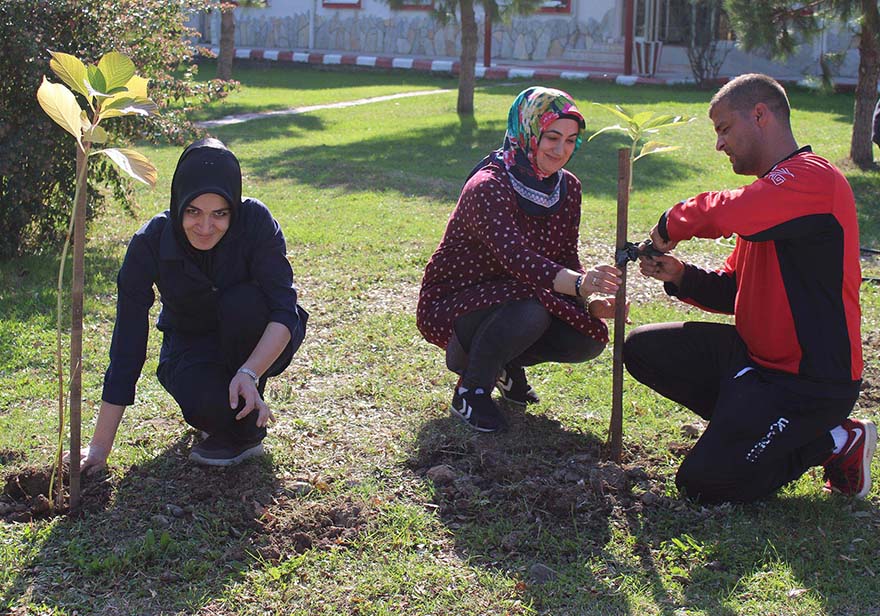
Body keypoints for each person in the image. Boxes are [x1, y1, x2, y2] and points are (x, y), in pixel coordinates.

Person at [624, 73, 874, 503]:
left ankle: (834, 441)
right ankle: (750, 429)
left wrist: (671, 222)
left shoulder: (814, 179)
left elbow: (730, 210)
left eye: (724, 129)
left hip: (810, 384)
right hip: (756, 362)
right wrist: (680, 275)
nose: (719, 144)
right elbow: (732, 289)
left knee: (703, 484)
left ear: (759, 115)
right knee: (642, 349)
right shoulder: (769, 196)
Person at [78, 138, 308, 469]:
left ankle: (246, 407)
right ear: (178, 203)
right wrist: (99, 448)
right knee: (207, 406)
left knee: (242, 303)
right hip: (190, 344)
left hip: (255, 335)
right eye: (193, 212)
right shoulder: (150, 243)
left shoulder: (256, 222)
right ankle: (232, 417)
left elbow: (284, 309)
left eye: (219, 214)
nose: (204, 227)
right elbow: (127, 343)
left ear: (234, 208)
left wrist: (249, 371)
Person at [416, 86, 623, 433]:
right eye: (552, 137)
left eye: (571, 141)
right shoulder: (488, 185)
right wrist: (576, 284)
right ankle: (472, 389)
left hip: (523, 293)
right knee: (532, 308)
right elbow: (517, 259)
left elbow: (564, 254)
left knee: (587, 337)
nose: (561, 151)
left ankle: (503, 365)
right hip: (457, 301)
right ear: (527, 132)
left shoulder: (568, 187)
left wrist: (591, 298)